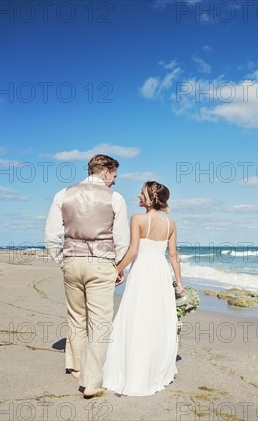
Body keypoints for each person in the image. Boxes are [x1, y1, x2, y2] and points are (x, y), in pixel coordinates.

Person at [44, 154, 129, 399]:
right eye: (113, 175)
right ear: (105, 172)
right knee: (100, 321)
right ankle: (91, 381)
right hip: (101, 263)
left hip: (71, 261)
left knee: (76, 315)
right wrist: (117, 267)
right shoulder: (115, 198)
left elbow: (51, 235)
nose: (114, 181)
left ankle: (75, 366)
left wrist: (63, 260)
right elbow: (121, 239)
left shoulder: (63, 194)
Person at [102, 181, 184, 396]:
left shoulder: (138, 219)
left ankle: (134, 371)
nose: (138, 195)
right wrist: (179, 284)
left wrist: (116, 271)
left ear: (150, 197)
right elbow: (173, 256)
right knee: (157, 320)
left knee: (137, 317)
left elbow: (133, 251)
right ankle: (153, 369)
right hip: (160, 274)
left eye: (142, 193)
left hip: (142, 273)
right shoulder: (171, 223)